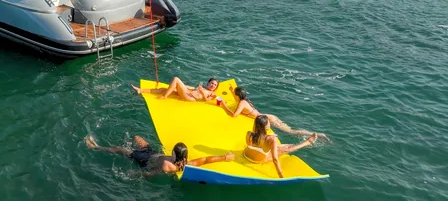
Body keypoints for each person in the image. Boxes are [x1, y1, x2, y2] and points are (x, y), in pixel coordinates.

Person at [85, 135, 234, 177]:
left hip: (144, 160)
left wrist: (135, 174)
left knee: (120, 150)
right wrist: (225, 157)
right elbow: (206, 160)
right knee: (137, 138)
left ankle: (96, 147)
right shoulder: (186, 162)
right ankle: (126, 144)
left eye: (173, 151)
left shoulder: (168, 166)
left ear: (175, 154)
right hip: (151, 153)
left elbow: (150, 173)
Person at [219, 87, 329, 141]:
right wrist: (232, 90)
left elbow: (234, 115)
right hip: (267, 116)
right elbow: (239, 100)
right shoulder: (244, 100)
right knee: (290, 131)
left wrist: (224, 105)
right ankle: (316, 134)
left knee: (291, 132)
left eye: (234, 94)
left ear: (238, 96)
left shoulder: (242, 103)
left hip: (268, 119)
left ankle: (319, 135)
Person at [244, 115, 317, 178]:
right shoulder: (271, 139)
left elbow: (258, 140)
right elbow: (275, 159)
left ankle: (307, 142)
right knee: (286, 148)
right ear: (266, 126)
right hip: (258, 160)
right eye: (268, 122)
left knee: (277, 147)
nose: (270, 123)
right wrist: (281, 175)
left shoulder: (249, 134)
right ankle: (307, 142)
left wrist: (270, 138)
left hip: (247, 155)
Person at [130, 77, 219, 102]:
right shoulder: (202, 87)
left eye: (215, 85)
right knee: (164, 89)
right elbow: (191, 88)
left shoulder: (212, 94)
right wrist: (181, 86)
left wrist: (203, 93)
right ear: (208, 83)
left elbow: (207, 100)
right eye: (212, 83)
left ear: (216, 88)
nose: (213, 85)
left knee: (176, 79)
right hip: (188, 93)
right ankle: (140, 90)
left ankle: (165, 97)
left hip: (190, 98)